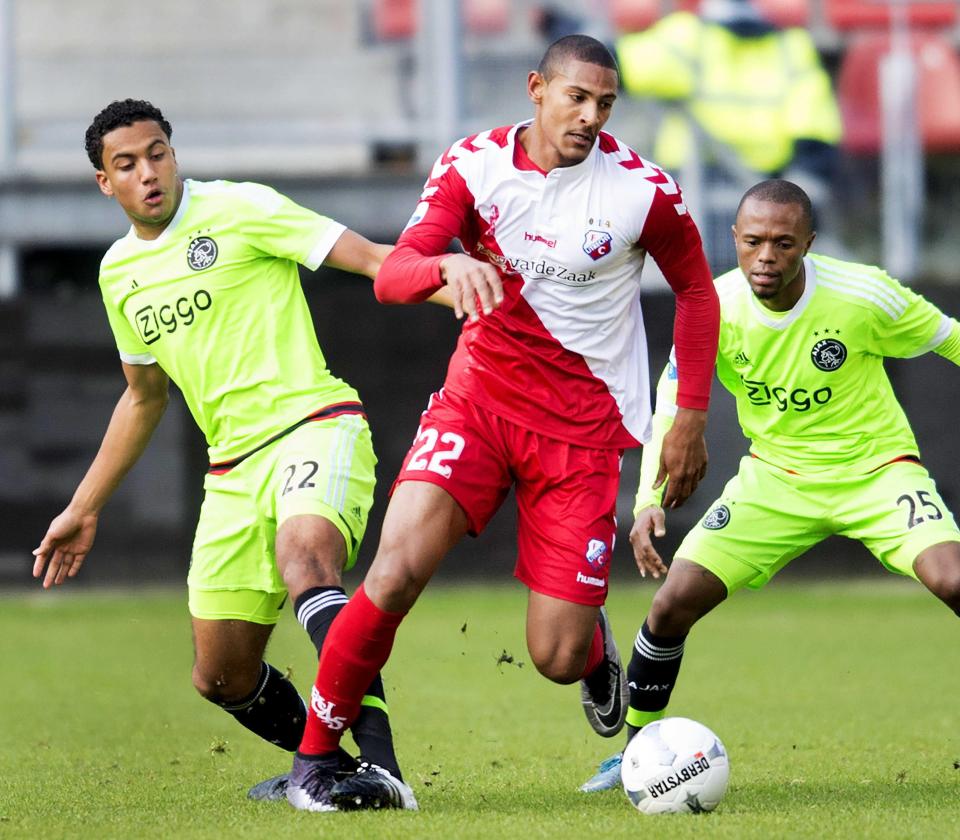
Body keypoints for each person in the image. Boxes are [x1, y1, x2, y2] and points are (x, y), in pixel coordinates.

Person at [282, 34, 721, 813]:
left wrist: (687, 417)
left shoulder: (641, 190)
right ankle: (313, 766)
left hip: (584, 435)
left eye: (605, 104)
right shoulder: (473, 166)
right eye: (577, 98)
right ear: (536, 89)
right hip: (478, 405)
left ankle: (590, 653)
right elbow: (395, 275)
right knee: (393, 574)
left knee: (553, 654)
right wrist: (447, 265)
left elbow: (695, 292)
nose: (590, 117)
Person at [31, 98, 433, 807]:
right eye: (127, 164)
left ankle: (383, 768)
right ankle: (331, 768)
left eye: (157, 153)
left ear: (174, 153)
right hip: (232, 471)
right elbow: (143, 397)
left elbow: (370, 258)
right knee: (220, 676)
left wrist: (457, 283)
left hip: (315, 423)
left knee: (306, 560)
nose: (148, 172)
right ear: (105, 182)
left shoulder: (241, 207)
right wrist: (82, 507)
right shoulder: (119, 274)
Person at [580, 178, 960, 792]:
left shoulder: (863, 296)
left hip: (877, 473)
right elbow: (670, 405)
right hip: (775, 481)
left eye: (783, 244)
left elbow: (950, 338)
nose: (766, 257)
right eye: (753, 241)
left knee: (954, 578)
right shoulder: (713, 308)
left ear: (808, 243)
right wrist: (648, 498)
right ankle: (634, 755)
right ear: (733, 238)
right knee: (673, 601)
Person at [539, 0, 842, 273]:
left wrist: (562, 30)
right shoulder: (792, 48)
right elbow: (814, 127)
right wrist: (802, 199)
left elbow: (614, 64)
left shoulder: (691, 38)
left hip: (695, 192)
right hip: (766, 193)